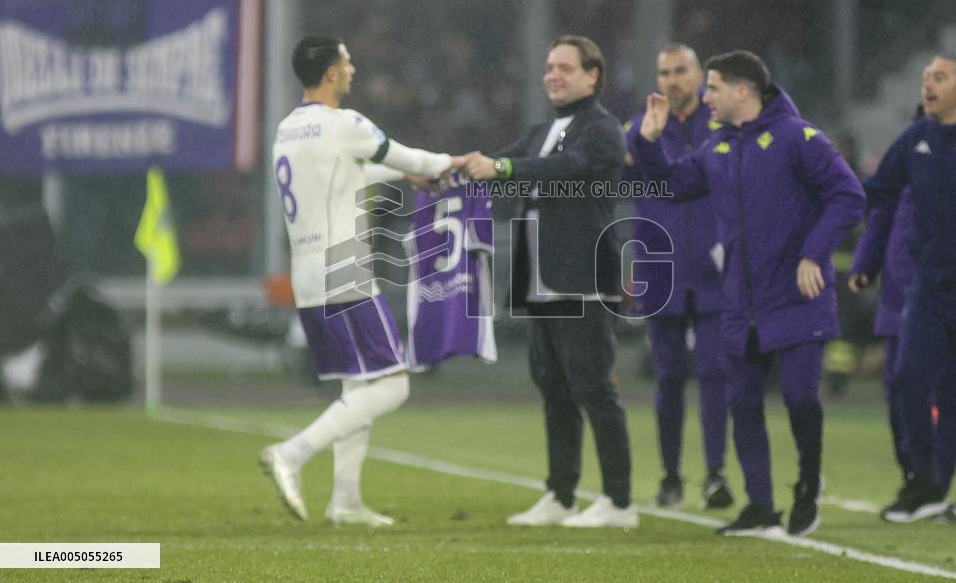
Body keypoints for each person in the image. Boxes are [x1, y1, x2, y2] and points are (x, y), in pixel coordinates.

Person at [635, 50, 865, 536]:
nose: (705, 97)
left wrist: (813, 254)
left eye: (712, 87)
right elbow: (670, 186)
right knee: (743, 402)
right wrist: (649, 142)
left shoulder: (799, 138)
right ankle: (760, 504)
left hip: (797, 295)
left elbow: (849, 196)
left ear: (742, 91)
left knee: (802, 396)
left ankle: (807, 484)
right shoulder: (717, 147)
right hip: (741, 300)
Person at [259, 35, 464, 527]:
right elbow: (410, 158)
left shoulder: (288, 130)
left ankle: (345, 502)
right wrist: (452, 164)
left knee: (359, 384)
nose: (353, 69)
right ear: (331, 71)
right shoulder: (344, 123)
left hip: (308, 271)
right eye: (348, 61)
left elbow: (345, 177)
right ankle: (292, 452)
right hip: (344, 267)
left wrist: (400, 178)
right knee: (394, 386)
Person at [462, 35, 637, 528]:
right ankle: (561, 496)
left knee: (594, 388)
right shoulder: (542, 129)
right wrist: (445, 170)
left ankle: (619, 503)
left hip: (583, 280)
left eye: (564, 67)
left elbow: (567, 168)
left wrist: (503, 166)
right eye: (548, 68)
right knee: (554, 388)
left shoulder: (602, 130)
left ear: (592, 75)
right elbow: (495, 161)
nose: (553, 75)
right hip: (539, 278)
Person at [863, 54, 956, 525]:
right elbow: (877, 190)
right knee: (908, 379)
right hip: (930, 287)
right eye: (924, 78)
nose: (927, 86)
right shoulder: (917, 137)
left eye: (938, 78)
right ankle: (922, 482)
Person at [623, 44, 732, 509]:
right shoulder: (641, 130)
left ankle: (714, 475)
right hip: (661, 271)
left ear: (700, 73)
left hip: (714, 271)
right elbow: (624, 194)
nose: (671, 80)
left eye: (681, 71)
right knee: (668, 378)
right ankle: (671, 476)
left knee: (714, 373)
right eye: (664, 72)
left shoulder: (724, 125)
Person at [850, 189, 956, 506]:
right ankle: (914, 474)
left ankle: (936, 484)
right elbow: (882, 212)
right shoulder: (908, 154)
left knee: (946, 390)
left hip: (950, 289)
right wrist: (865, 262)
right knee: (899, 388)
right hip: (897, 293)